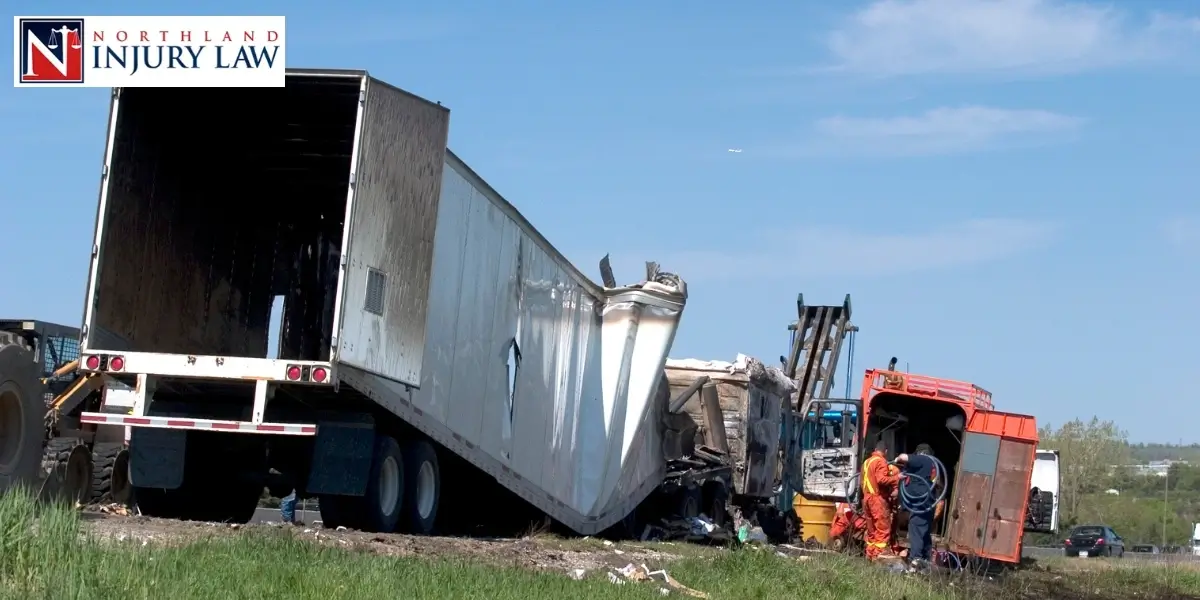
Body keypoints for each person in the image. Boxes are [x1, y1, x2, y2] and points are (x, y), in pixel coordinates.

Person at [895, 443, 938, 566]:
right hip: (928, 503)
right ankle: (925, 560)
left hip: (920, 504)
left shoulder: (922, 459)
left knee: (916, 530)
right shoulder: (932, 464)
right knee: (924, 532)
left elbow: (904, 457)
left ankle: (916, 560)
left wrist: (898, 459)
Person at [861, 440, 900, 560]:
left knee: (871, 531)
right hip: (876, 500)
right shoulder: (881, 461)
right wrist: (897, 478)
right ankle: (879, 557)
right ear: (886, 451)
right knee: (882, 530)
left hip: (866, 499)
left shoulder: (866, 462)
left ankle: (870, 556)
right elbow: (881, 479)